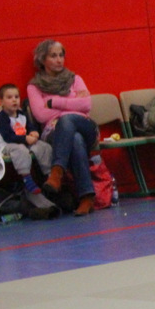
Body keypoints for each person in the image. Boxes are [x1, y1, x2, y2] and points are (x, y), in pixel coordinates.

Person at [27, 40, 99, 216]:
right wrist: (72, 104)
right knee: (75, 139)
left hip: (85, 126)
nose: (59, 59)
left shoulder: (75, 79)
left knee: (67, 121)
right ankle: (86, 197)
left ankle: (56, 172)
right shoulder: (34, 86)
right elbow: (40, 115)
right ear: (42, 59)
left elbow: (86, 105)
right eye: (53, 56)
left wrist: (54, 103)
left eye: (61, 55)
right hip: (54, 133)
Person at [0, 84, 53, 195]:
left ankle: (49, 175)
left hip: (24, 140)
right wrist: (25, 139)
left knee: (43, 146)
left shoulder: (21, 114)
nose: (14, 100)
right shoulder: (1, 118)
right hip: (7, 144)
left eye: (16, 97)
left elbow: (29, 126)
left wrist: (34, 132)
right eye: (9, 97)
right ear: (1, 102)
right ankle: (26, 177)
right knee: (20, 150)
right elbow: (8, 136)